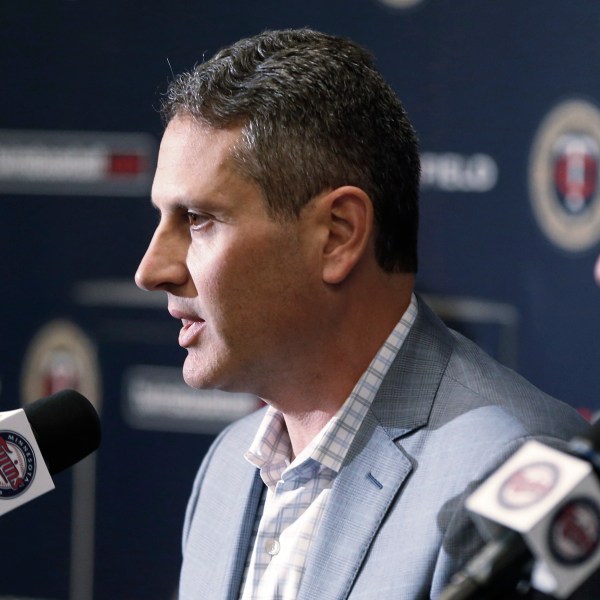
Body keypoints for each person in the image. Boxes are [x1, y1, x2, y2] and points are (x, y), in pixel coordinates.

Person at [135, 28, 588, 600]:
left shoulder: (514, 470)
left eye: (198, 220)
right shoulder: (225, 470)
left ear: (337, 235)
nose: (151, 270)